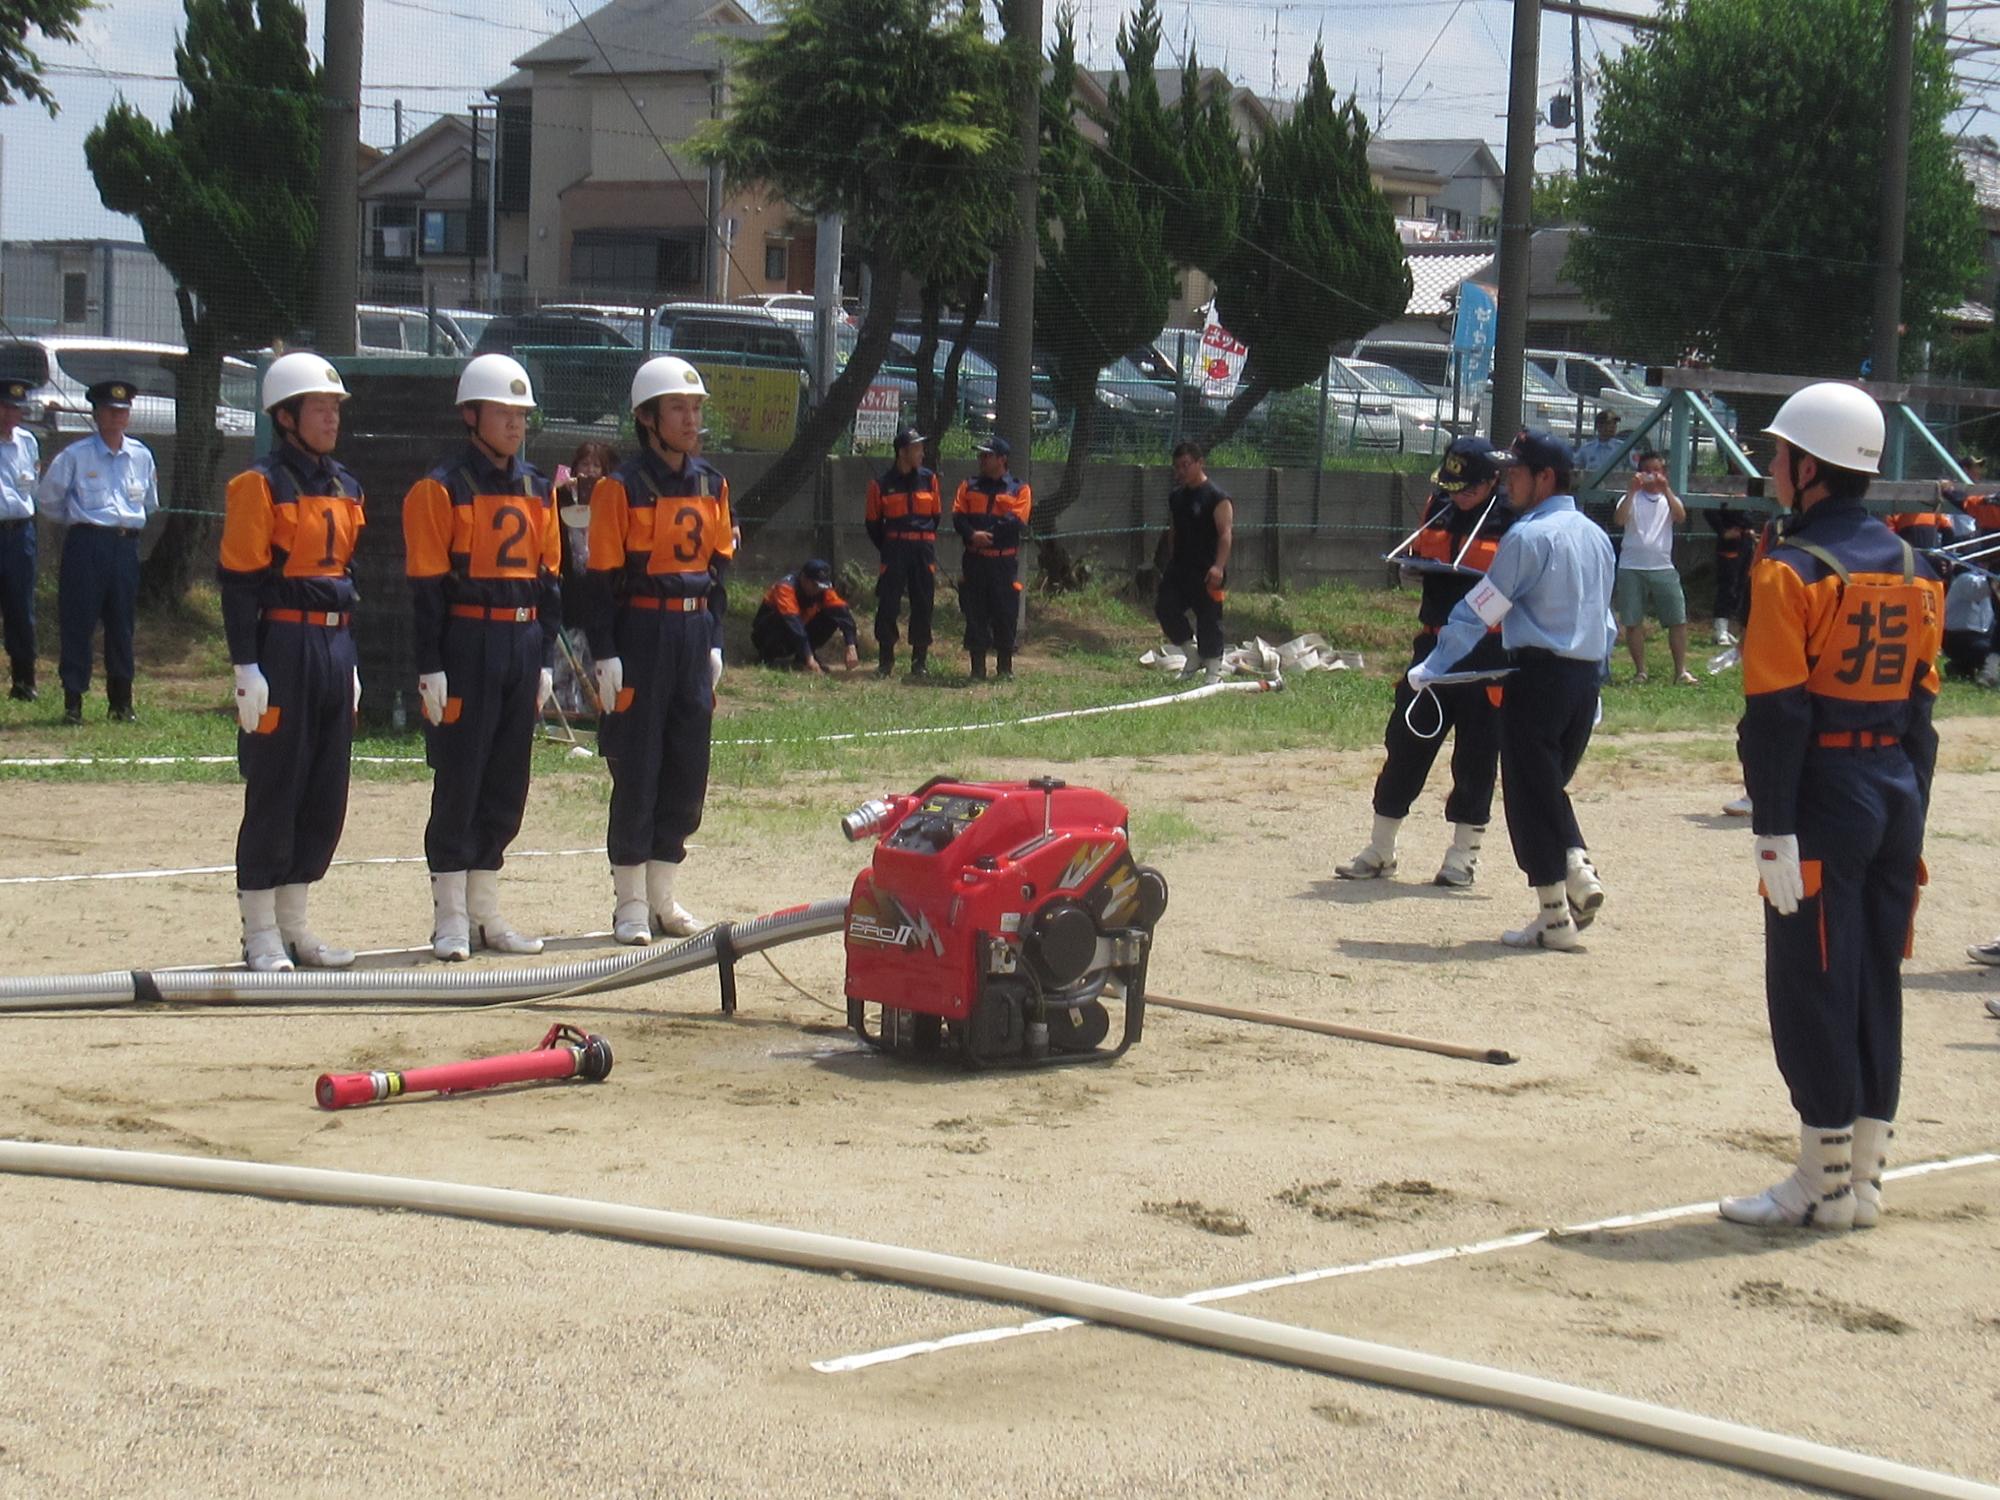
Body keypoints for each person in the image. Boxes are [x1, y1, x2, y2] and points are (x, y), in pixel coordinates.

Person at [1720, 382, 1943, 1231]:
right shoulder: (1918, 568)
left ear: (1809, 468)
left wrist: (1772, 823)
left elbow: (1778, 711)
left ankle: (1820, 1178)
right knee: (1873, 976)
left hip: (1823, 792)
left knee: (1810, 976)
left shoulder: (1792, 571)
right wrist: (1911, 808)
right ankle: (1865, 1176)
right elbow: (1922, 713)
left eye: (1779, 455)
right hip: (1892, 785)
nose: (1773, 468)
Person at [1409, 430, 1616, 951]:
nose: (1509, 482)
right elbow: (1605, 622)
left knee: (1530, 795)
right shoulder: (1595, 535)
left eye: (1518, 472)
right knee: (1544, 790)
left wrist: (1433, 663)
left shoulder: (1526, 537)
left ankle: (1566, 885)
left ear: (1545, 477)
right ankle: (1560, 906)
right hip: (1583, 679)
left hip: (1538, 677)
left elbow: (1481, 609)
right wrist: (1599, 684)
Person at [402, 353, 561, 961]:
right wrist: (430, 664)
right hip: (468, 641)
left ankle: (487, 913)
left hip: (520, 642)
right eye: (503, 412)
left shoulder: (538, 487)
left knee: (506, 781)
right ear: (471, 416)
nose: (516, 424)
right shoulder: (440, 487)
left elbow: (549, 579)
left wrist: (544, 654)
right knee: (460, 778)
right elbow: (427, 587)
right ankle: (449, 916)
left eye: (522, 413)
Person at [217, 352, 365, 972]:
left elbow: (344, 573)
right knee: (277, 783)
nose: (331, 417)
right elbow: (239, 581)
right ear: (285, 416)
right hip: (284, 643)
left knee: (324, 789)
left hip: (333, 644)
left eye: (335, 407)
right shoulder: (260, 484)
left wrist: (349, 658)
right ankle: (259, 933)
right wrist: (246, 665)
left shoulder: (347, 487)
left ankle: (296, 925)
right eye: (319, 407)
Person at [584, 355, 732, 943]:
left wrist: (715, 639)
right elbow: (598, 579)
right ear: (648, 418)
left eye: (695, 408)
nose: (691, 418)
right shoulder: (619, 489)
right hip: (642, 634)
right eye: (678, 408)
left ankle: (664, 897)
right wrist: (605, 651)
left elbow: (719, 569)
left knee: (687, 764)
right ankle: (628, 901)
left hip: (693, 634)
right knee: (637, 764)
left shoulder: (713, 483)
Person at [1338, 436, 1513, 887]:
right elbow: (1423, 555)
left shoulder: (1513, 518)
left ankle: (1462, 856)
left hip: (1488, 653)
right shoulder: (1439, 505)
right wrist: (1412, 568)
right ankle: (1381, 850)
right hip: (1433, 646)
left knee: (1477, 756)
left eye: (1468, 488)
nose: (1458, 495)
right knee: (1406, 741)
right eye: (1452, 485)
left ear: (1493, 480)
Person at [40, 379, 157, 725]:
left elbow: (148, 502)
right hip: (87, 545)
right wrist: (84, 525)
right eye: (109, 410)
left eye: (122, 411)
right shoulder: (76, 456)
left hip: (125, 546)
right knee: (78, 622)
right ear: (96, 414)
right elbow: (49, 501)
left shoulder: (141, 455)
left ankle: (121, 702)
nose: (116, 417)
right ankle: (73, 701)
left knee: (122, 625)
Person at [1153, 440, 1235, 684]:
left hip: (1208, 569)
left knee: (1209, 618)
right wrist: (1170, 560)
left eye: (1185, 465)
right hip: (1180, 567)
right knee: (1165, 608)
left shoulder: (1217, 497)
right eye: (1177, 467)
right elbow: (1173, 530)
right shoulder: (1176, 497)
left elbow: (1225, 534)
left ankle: (1213, 672)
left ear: (1200, 463)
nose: (1181, 471)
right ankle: (1192, 655)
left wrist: (1218, 567)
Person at [1612, 449, 1696, 685]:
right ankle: (1640, 671)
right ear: (1639, 474)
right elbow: (1619, 520)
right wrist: (1631, 491)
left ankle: (1681, 671)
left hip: (1663, 567)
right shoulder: (1630, 498)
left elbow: (1680, 516)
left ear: (1663, 473)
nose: (1651, 475)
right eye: (1647, 471)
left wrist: (1666, 489)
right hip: (1631, 567)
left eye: (1656, 471)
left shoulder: (1667, 500)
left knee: (1677, 619)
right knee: (1632, 621)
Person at [952, 436, 1032, 679]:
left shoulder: (1020, 489)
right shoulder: (968, 485)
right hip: (975, 560)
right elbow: (958, 516)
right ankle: (977, 670)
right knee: (975, 611)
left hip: (1002, 562)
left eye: (987, 455)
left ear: (1002, 459)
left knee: (1004, 612)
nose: (982, 460)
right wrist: (972, 535)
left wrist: (989, 535)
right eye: (981, 455)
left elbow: (1016, 520)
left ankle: (1004, 669)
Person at [865, 426, 942, 678]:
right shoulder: (881, 485)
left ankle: (919, 662)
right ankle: (885, 661)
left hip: (922, 551)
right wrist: (890, 546)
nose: (922, 453)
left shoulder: (930, 479)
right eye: (917, 448)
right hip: (894, 550)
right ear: (902, 452)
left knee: (923, 603)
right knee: (888, 604)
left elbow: (936, 516)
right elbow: (873, 524)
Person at [552, 440, 616, 715]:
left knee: (594, 653)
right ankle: (563, 708)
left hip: (599, 589)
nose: (589, 471)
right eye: (584, 464)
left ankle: (596, 710)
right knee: (568, 653)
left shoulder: (610, 498)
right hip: (570, 589)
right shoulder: (561, 497)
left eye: (596, 465)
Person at [0, 378, 41, 701]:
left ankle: (24, 681)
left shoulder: (27, 442)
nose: (10, 414)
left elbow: (35, 488)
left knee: (20, 607)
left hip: (19, 532)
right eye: (4, 407)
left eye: (16, 408)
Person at [751, 558, 859, 670]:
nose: (818, 590)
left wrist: (851, 645)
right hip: (767, 634)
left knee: (832, 617)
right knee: (784, 618)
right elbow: (794, 624)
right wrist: (810, 659)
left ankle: (801, 659)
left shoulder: (824, 591)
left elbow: (843, 613)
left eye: (821, 586)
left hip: (797, 632)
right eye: (815, 585)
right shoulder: (786, 587)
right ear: (803, 578)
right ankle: (767, 656)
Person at [1705, 501, 1756, 647]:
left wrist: (1750, 529)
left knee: (1741, 587)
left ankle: (1727, 629)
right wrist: (1723, 531)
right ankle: (1719, 629)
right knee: (1727, 585)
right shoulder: (1726, 489)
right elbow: (1709, 510)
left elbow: (1748, 515)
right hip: (1729, 546)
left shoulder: (1751, 487)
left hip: (1745, 544)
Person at [1940, 560, 1999, 684]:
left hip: (1983, 636)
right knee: (1985, 652)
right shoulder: (1965, 580)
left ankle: (1961, 666)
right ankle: (1963, 664)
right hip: (1958, 637)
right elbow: (1978, 589)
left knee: (1990, 648)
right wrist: (1994, 578)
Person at [1572, 407, 1626, 480]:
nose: (1613, 426)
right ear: (1599, 426)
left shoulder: (1623, 448)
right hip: (1591, 489)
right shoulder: (1587, 449)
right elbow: (1575, 469)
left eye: (1615, 423)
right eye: (1609, 423)